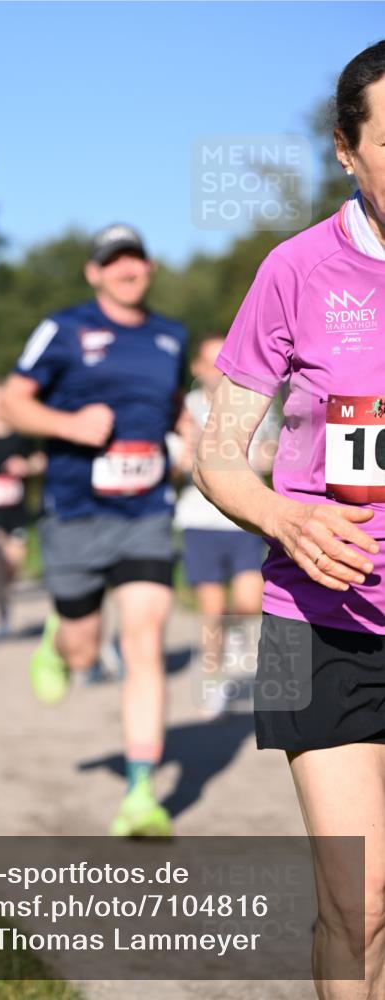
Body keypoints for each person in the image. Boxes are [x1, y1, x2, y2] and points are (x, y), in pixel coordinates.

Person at [194, 42, 385, 998]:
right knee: (361, 896)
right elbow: (216, 453)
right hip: (313, 624)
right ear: (348, 154)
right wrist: (283, 517)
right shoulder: (296, 271)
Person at [4, 223, 187, 837]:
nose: (127, 270)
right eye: (115, 262)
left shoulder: (169, 337)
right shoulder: (64, 328)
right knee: (84, 652)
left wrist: (191, 444)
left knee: (144, 642)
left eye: (136, 259)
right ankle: (61, 634)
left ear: (149, 267)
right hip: (77, 513)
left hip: (146, 515)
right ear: (95, 272)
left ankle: (141, 796)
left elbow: (176, 414)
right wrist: (69, 424)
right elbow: (13, 403)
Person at [169, 332, 279, 716]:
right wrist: (192, 455)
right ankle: (214, 679)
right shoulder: (183, 409)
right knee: (212, 609)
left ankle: (233, 640)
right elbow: (176, 464)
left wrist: (256, 456)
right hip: (200, 523)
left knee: (250, 600)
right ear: (199, 369)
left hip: (245, 520)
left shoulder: (255, 403)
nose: (220, 372)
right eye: (212, 364)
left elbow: (270, 455)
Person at [0, 378, 46, 637]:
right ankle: (2, 616)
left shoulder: (21, 433)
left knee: (13, 562)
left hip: (15, 508)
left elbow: (40, 459)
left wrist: (27, 467)